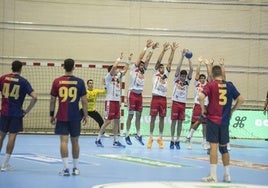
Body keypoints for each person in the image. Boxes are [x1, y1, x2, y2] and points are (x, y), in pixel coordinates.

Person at [199, 65, 244, 183]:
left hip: (213, 121)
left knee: (213, 147)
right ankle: (227, 175)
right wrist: (232, 110)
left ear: (212, 75)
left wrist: (203, 109)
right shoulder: (230, 85)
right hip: (224, 122)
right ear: (222, 74)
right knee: (224, 148)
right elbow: (241, 99)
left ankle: (213, 176)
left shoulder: (211, 85)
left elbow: (200, 97)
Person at [49, 58, 88, 176]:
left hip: (61, 115)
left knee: (64, 141)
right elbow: (85, 101)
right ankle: (75, 168)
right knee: (75, 141)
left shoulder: (57, 81)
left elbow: (52, 100)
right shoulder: (80, 82)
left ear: (63, 66)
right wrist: (85, 115)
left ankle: (66, 169)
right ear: (74, 67)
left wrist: (51, 114)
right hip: (75, 116)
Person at [0, 60, 37, 171]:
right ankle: (5, 164)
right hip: (16, 113)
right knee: (12, 137)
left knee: (1, 136)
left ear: (11, 67)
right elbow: (35, 97)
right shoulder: (23, 82)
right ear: (21, 68)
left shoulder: (3, 78)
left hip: (4, 112)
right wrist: (27, 111)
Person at [125, 39, 159, 146]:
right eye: (140, 64)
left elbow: (147, 60)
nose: (142, 66)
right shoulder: (133, 69)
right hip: (132, 94)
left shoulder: (143, 71)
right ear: (138, 65)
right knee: (130, 116)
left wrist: (152, 50)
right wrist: (146, 47)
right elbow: (140, 57)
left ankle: (138, 134)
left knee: (138, 115)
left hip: (139, 95)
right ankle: (126, 135)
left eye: (142, 65)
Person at [147, 42, 179, 149]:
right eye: (160, 67)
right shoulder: (154, 73)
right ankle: (151, 137)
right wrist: (163, 51)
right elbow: (158, 61)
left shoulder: (166, 74)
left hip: (163, 99)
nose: (161, 67)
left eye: (162, 67)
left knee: (161, 119)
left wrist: (173, 51)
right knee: (152, 118)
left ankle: (160, 138)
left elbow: (169, 62)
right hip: (155, 98)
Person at [95, 53, 129, 148]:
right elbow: (114, 66)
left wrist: (128, 61)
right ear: (111, 71)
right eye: (115, 70)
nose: (117, 70)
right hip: (110, 101)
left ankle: (116, 141)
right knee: (107, 121)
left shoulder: (117, 77)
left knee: (117, 121)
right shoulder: (108, 78)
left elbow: (125, 71)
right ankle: (98, 139)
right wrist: (119, 58)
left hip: (116, 102)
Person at [169, 48, 193, 150]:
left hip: (183, 104)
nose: (183, 77)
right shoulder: (176, 80)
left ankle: (177, 140)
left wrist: (189, 58)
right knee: (174, 122)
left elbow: (191, 70)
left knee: (180, 123)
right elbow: (178, 68)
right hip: (175, 103)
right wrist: (182, 56)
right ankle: (172, 140)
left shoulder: (187, 82)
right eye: (182, 76)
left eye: (184, 76)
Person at [185, 57, 210, 150]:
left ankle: (204, 142)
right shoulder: (197, 84)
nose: (202, 79)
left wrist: (208, 65)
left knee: (205, 125)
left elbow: (210, 75)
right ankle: (189, 141)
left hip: (205, 106)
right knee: (193, 123)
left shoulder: (207, 84)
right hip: (197, 106)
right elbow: (197, 73)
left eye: (204, 78)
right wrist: (199, 63)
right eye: (201, 78)